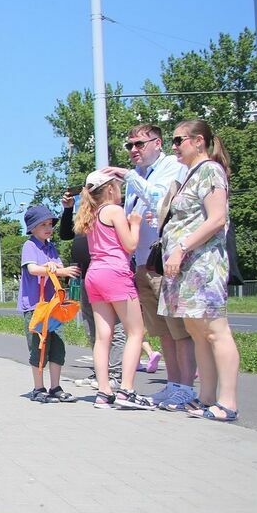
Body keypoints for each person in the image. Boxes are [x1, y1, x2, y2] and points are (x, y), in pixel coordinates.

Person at [159, 119, 239, 421]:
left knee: (216, 331)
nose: (175, 147)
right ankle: (205, 397)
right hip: (183, 268)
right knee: (196, 330)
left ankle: (227, 401)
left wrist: (182, 247)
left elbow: (217, 218)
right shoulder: (190, 174)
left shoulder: (210, 170)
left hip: (203, 265)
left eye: (179, 140)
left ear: (199, 142)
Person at [117, 123, 197, 411]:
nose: (134, 151)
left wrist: (128, 176)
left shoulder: (170, 168)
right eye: (130, 146)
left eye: (139, 144)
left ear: (158, 143)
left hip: (165, 261)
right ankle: (174, 384)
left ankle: (187, 387)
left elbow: (160, 199)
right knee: (161, 329)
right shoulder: (136, 177)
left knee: (179, 330)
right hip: (142, 261)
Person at [75, 170, 152, 409]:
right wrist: (136, 224)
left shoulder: (90, 215)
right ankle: (126, 390)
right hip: (115, 273)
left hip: (94, 274)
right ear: (110, 189)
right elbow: (129, 245)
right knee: (135, 332)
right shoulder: (114, 211)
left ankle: (103, 391)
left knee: (102, 336)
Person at [59, 189, 124, 390]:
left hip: (109, 274)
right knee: (92, 326)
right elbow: (65, 234)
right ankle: (101, 372)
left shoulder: (110, 212)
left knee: (117, 327)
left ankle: (115, 373)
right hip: (85, 276)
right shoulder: (85, 217)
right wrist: (68, 210)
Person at [18, 205, 81, 403]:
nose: (48, 228)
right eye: (43, 224)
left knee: (57, 347)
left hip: (54, 306)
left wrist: (58, 268)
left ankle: (55, 386)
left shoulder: (51, 247)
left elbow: (59, 266)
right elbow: (32, 269)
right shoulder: (30, 246)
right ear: (32, 228)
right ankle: (38, 388)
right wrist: (50, 268)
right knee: (38, 347)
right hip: (36, 307)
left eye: (50, 224)